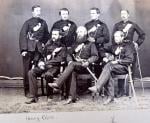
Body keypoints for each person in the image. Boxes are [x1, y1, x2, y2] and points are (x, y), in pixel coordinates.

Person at [48, 26, 99, 104]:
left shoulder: (91, 44)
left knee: (72, 65)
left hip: (86, 67)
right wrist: (69, 60)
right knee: (72, 71)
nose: (79, 34)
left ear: (85, 33)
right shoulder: (75, 43)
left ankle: (58, 83)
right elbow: (69, 54)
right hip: (75, 66)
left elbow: (95, 56)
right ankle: (72, 97)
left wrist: (88, 61)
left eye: (81, 32)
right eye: (78, 32)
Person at [88, 31, 136, 105]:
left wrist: (117, 61)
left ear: (122, 37)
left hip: (125, 67)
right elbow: (101, 49)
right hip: (114, 67)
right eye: (114, 36)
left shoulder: (128, 46)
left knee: (109, 65)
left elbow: (130, 60)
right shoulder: (114, 46)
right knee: (108, 71)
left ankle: (97, 87)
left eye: (117, 36)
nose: (115, 38)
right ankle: (110, 97)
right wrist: (104, 56)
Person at [25, 29, 66, 104]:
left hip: (54, 67)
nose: (53, 36)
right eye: (53, 34)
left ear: (59, 36)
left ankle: (49, 97)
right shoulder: (48, 45)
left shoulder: (62, 46)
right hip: (44, 66)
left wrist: (46, 62)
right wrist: (40, 62)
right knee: (31, 72)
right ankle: (33, 96)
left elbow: (60, 59)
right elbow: (42, 55)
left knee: (48, 75)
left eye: (56, 34)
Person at [111, 9, 145, 97]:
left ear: (128, 15)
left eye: (125, 14)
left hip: (130, 48)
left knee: (132, 69)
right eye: (121, 14)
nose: (123, 15)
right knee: (120, 68)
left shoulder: (133, 24)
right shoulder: (117, 25)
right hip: (121, 49)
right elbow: (113, 39)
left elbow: (142, 35)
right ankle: (121, 91)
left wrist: (137, 43)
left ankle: (130, 91)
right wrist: (115, 49)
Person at [19, 5, 49, 97]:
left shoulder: (43, 22)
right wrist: (23, 50)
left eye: (39, 10)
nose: (38, 12)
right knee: (27, 70)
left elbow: (47, 35)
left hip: (39, 50)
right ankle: (28, 91)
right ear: (32, 12)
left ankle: (36, 91)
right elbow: (22, 36)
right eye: (36, 11)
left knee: (38, 69)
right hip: (29, 49)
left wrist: (43, 43)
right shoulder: (27, 23)